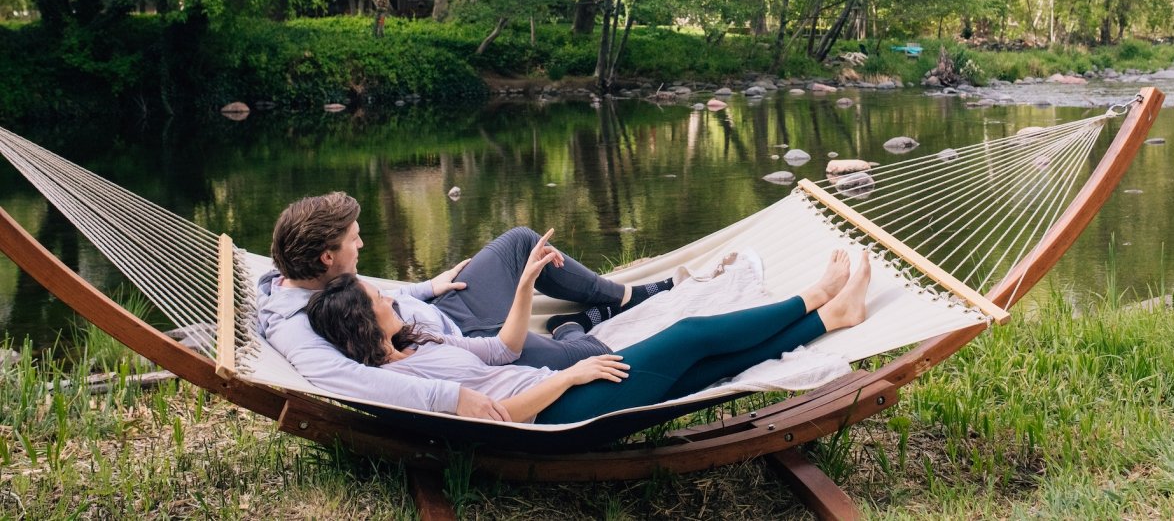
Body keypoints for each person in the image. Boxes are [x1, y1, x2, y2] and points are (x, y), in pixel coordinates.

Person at [304, 239, 872, 425]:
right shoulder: (403, 378)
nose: (391, 295)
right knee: (693, 334)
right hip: (559, 411)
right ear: (362, 322)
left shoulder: (419, 342)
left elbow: (503, 348)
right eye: (381, 298)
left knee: (701, 370)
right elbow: (505, 416)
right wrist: (571, 373)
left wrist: (526, 282)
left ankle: (831, 318)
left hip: (561, 386)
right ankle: (817, 296)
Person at [256, 191, 678, 421]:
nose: (362, 245)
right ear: (326, 257)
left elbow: (381, 302)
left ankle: (622, 296)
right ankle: (572, 327)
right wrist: (453, 396)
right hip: (466, 351)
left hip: (448, 311)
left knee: (521, 241)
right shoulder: (294, 325)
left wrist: (425, 288)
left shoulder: (328, 279)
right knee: (594, 356)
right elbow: (354, 380)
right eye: (354, 240)